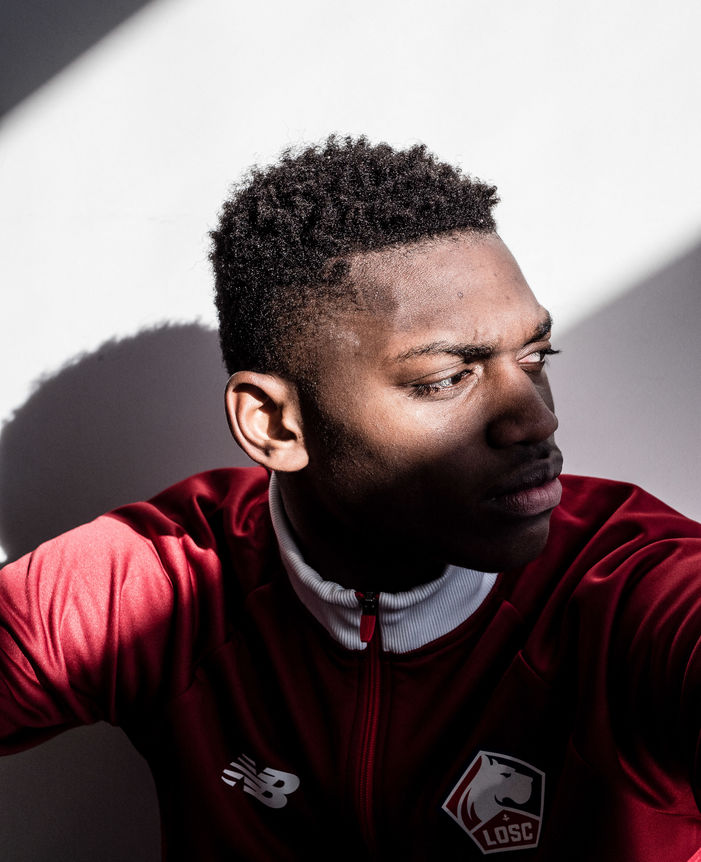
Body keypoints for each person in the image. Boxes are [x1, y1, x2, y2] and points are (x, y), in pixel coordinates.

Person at [1, 135, 700, 861]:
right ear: (274, 424)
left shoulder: (628, 585)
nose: (535, 420)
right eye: (444, 379)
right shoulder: (167, 582)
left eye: (534, 358)